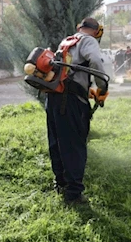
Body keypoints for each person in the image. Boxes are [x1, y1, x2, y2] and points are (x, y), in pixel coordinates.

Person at [46, 17, 108, 205]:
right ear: (96, 32)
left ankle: (60, 183)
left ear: (78, 28)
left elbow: (67, 74)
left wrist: (85, 89)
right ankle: (73, 194)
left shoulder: (66, 42)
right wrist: (102, 88)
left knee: (57, 142)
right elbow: (96, 62)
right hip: (71, 103)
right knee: (74, 145)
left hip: (54, 99)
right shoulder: (87, 40)